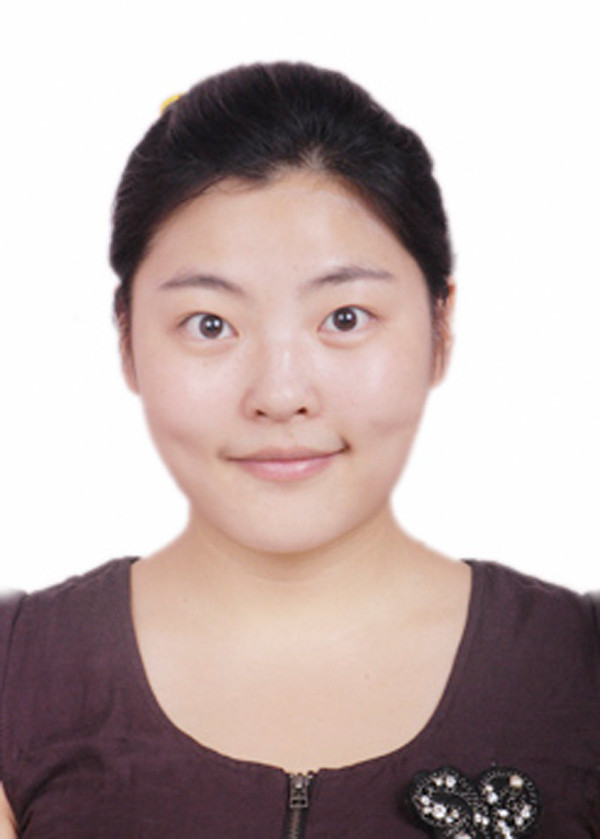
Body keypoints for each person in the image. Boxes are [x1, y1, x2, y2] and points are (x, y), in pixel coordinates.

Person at [0, 62, 598, 838]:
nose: (280, 394)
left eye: (345, 317)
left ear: (440, 327)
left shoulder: (578, 664)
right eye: (210, 324)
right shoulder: (17, 671)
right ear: (126, 338)